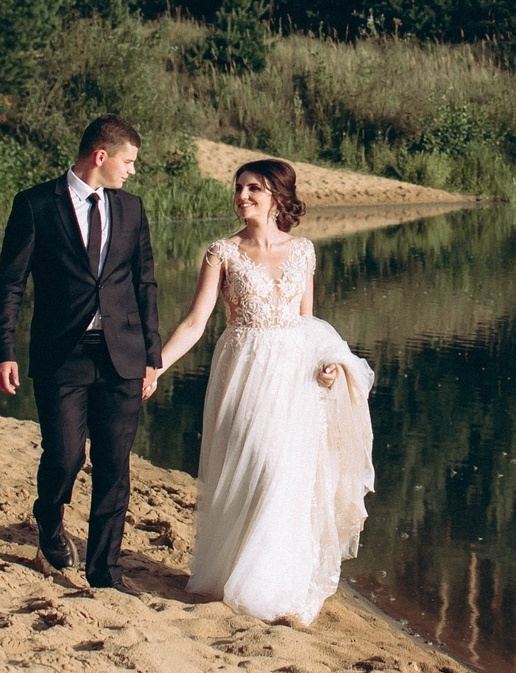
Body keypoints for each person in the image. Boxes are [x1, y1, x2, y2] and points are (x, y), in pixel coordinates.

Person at [148, 158, 375, 625]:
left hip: (295, 378)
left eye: (254, 188)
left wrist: (327, 369)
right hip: (243, 374)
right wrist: (156, 366)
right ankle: (230, 573)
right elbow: (195, 322)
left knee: (284, 476)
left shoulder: (304, 252)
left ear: (276, 196)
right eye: (239, 188)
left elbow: (309, 324)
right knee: (251, 466)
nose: (243, 196)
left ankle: (271, 588)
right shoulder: (222, 253)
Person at [0, 114, 161, 591]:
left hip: (123, 354)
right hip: (61, 353)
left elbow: (144, 283)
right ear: (100, 156)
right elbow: (9, 285)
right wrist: (3, 352)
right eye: (128, 161)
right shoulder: (35, 204)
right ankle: (48, 520)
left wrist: (153, 356)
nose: (132, 171)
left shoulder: (131, 209)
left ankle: (104, 571)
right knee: (63, 455)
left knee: (114, 466)